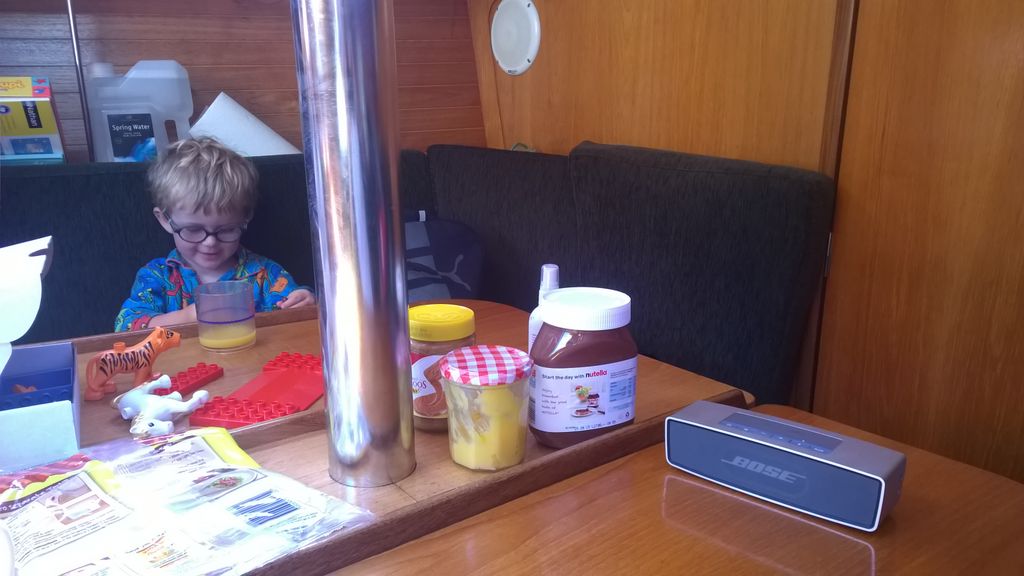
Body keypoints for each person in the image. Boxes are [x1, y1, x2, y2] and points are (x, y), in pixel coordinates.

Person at [115, 138, 315, 331]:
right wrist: (188, 317)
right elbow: (126, 328)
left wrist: (304, 301)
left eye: (227, 229)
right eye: (193, 229)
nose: (210, 243)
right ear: (165, 220)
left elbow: (294, 315)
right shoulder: (156, 276)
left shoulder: (264, 274)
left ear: (245, 219)